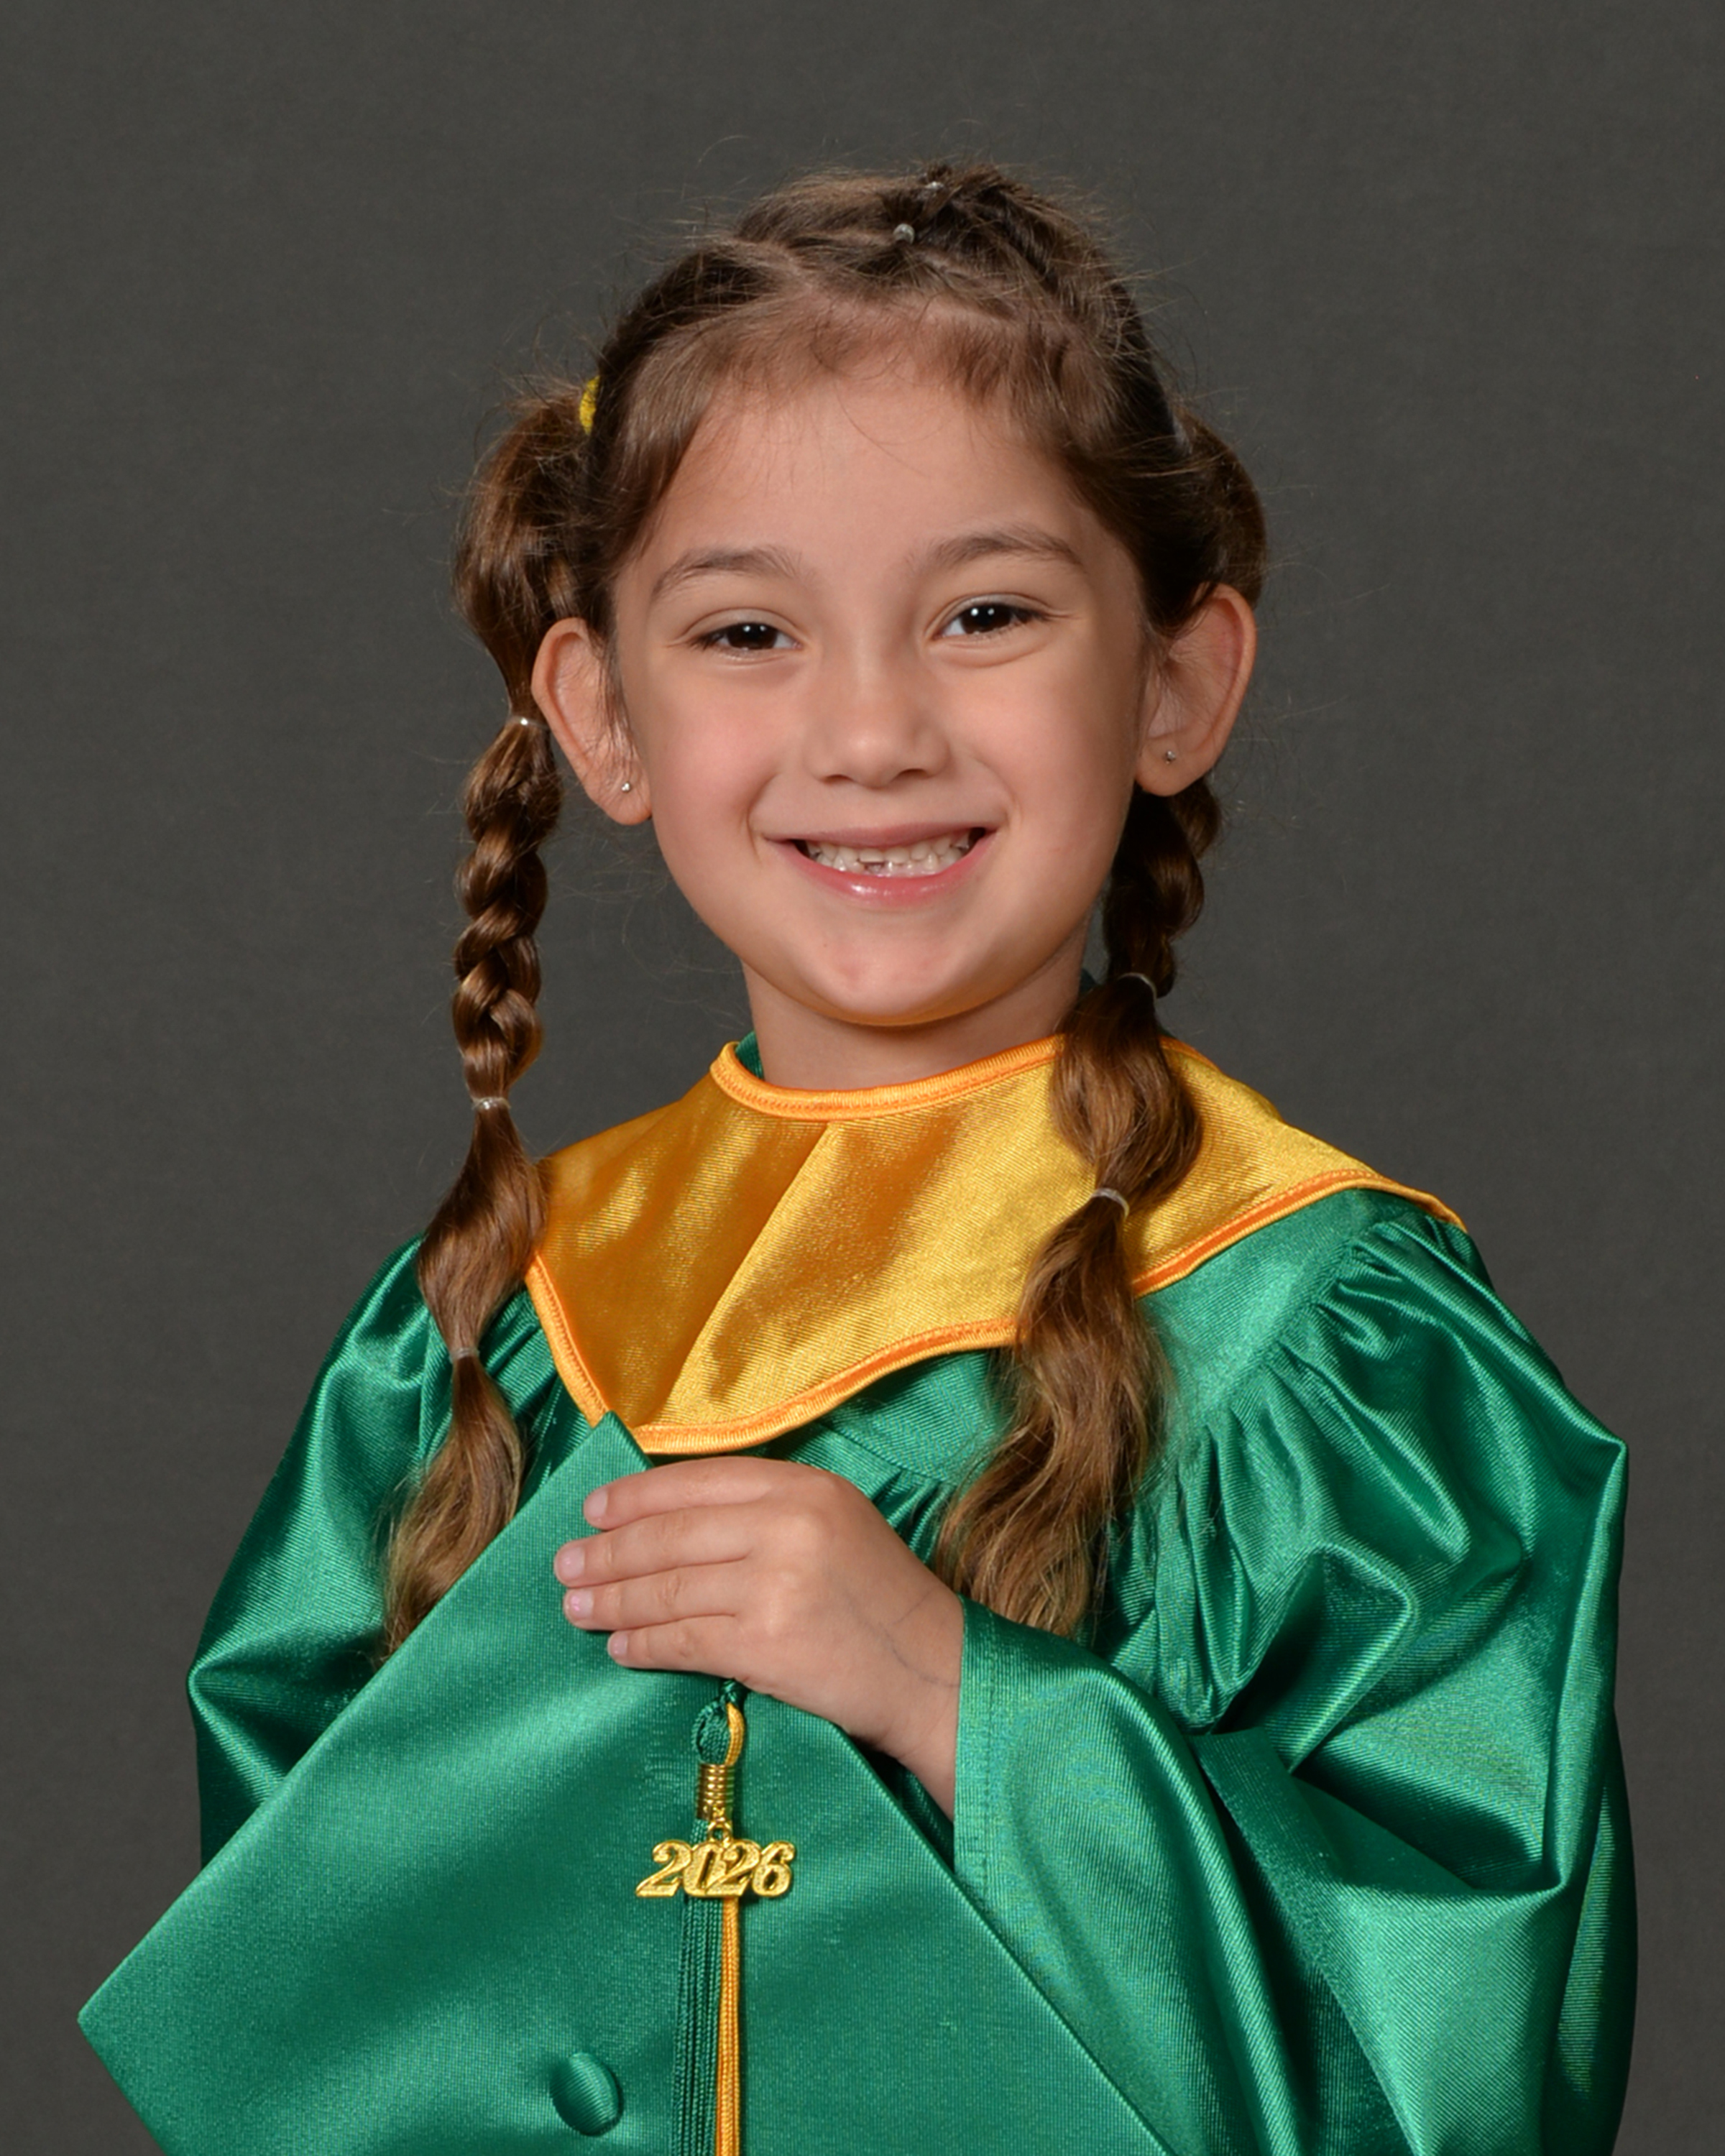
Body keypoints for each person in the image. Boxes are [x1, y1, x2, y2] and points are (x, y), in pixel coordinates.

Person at [80, 162, 1633, 2156]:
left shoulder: (1317, 1330)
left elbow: (1467, 2058)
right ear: (602, 717)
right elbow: (308, 2014)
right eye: (749, 631)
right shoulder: (500, 1320)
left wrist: (952, 1690)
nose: (873, 729)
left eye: (986, 614)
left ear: (1174, 682)